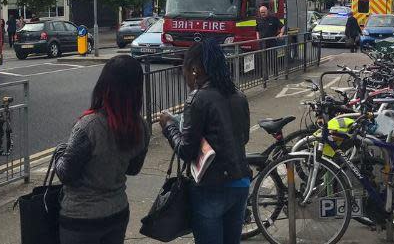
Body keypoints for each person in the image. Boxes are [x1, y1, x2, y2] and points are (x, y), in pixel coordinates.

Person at [159, 39, 251, 244]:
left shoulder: (197, 98)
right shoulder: (239, 95)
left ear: (195, 70)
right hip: (241, 182)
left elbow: (185, 151)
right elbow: (244, 137)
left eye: (185, 69)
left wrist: (168, 126)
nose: (184, 75)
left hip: (211, 188)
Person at [54, 55, 151, 244]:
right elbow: (133, 169)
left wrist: (59, 152)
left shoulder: (88, 126)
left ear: (105, 85)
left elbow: (66, 173)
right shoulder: (142, 127)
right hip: (117, 212)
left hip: (81, 219)